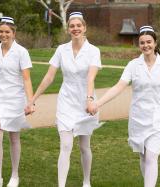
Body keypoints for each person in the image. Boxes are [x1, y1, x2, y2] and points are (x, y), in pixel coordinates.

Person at [89, 26, 160, 187]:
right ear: (139, 45)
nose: (146, 45)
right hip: (137, 119)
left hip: (158, 120)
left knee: (151, 157)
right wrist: (97, 103)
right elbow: (118, 87)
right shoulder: (133, 65)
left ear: (155, 43)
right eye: (142, 43)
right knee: (143, 157)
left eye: (149, 42)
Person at [26, 12, 101, 187]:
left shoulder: (93, 51)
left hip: (85, 103)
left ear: (84, 28)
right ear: (68, 29)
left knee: (84, 146)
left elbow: (91, 77)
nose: (75, 29)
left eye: (78, 26)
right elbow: (49, 76)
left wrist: (90, 100)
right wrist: (32, 100)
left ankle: (86, 182)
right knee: (65, 146)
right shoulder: (61, 50)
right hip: (66, 102)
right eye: (72, 26)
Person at [0, 16, 34, 187]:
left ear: (14, 33)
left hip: (16, 99)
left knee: (14, 137)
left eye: (7, 31)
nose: (3, 34)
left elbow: (27, 78)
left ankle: (14, 176)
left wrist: (30, 102)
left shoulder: (22, 52)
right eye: (1, 31)